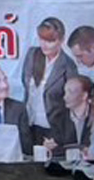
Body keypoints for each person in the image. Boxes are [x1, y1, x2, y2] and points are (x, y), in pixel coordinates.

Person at [20, 18, 77, 152]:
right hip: (30, 124)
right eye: (41, 39)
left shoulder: (69, 66)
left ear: (61, 40)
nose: (44, 44)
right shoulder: (32, 54)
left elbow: (72, 103)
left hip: (54, 129)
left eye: (50, 41)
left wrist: (61, 138)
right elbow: (25, 84)